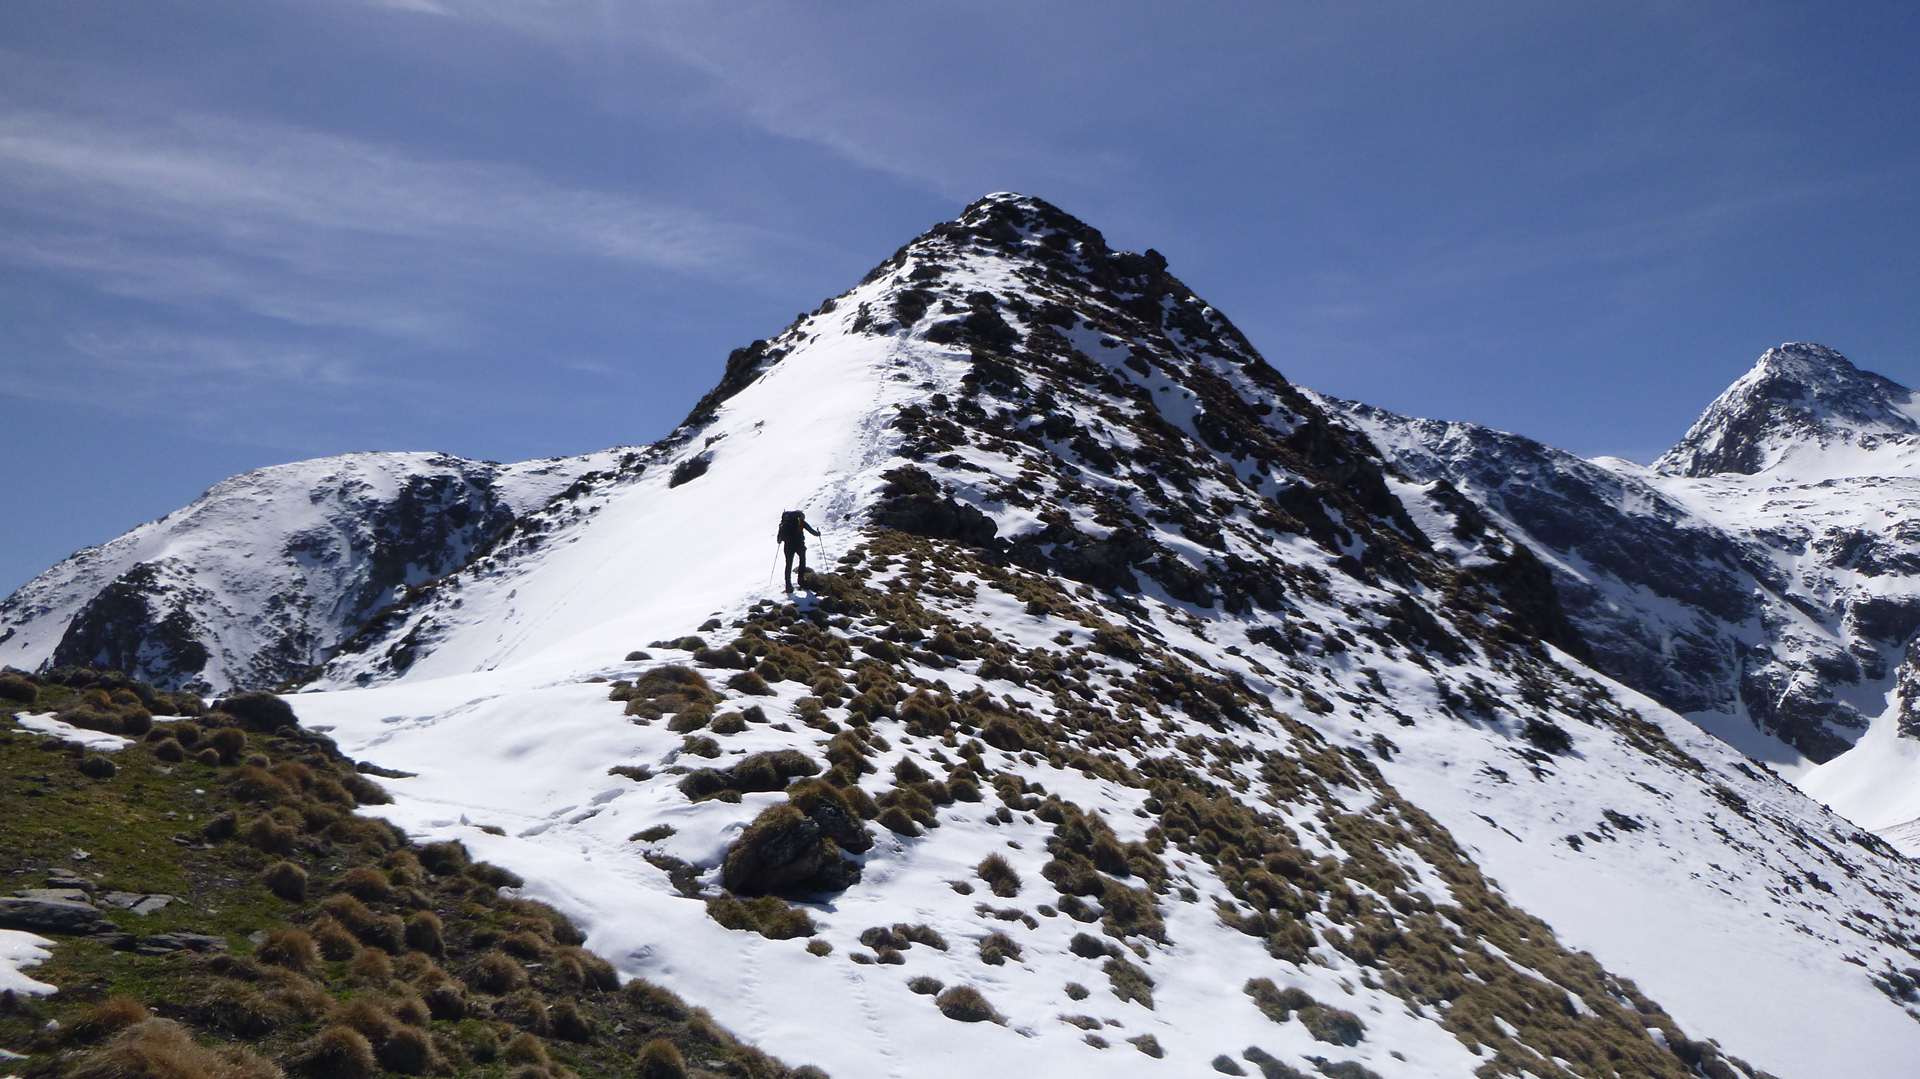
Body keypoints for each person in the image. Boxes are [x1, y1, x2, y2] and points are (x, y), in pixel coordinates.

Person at [776, 509, 821, 593]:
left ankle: (788, 585)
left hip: (788, 546)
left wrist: (782, 539)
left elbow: (779, 539)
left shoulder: (783, 524)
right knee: (802, 561)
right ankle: (801, 580)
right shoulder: (800, 521)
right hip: (799, 545)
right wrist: (818, 533)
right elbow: (812, 531)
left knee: (788, 564)